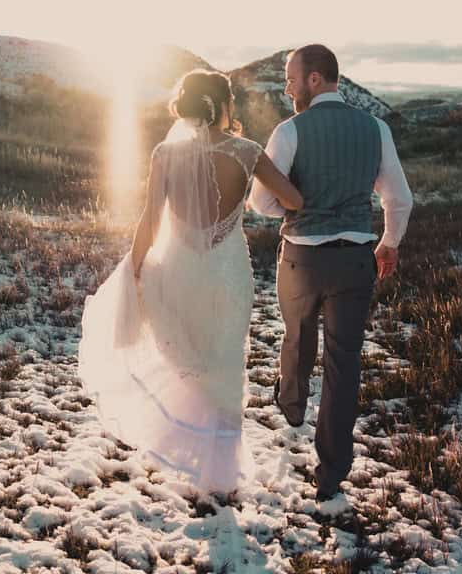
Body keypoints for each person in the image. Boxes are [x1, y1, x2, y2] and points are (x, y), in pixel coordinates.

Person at [78, 69, 303, 494]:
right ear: (224, 105)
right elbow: (293, 200)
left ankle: (194, 454)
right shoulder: (247, 152)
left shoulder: (165, 153)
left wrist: (137, 267)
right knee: (224, 363)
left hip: (178, 269)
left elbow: (150, 219)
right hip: (227, 273)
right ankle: (221, 471)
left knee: (192, 363)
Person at [248, 44, 413, 502]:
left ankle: (292, 400)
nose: (286, 87)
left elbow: (261, 202)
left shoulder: (289, 131)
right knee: (344, 366)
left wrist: (299, 201)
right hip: (355, 261)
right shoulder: (376, 129)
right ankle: (331, 475)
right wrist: (389, 243)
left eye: (290, 78)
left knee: (297, 337)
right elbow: (399, 198)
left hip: (301, 259)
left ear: (315, 79)